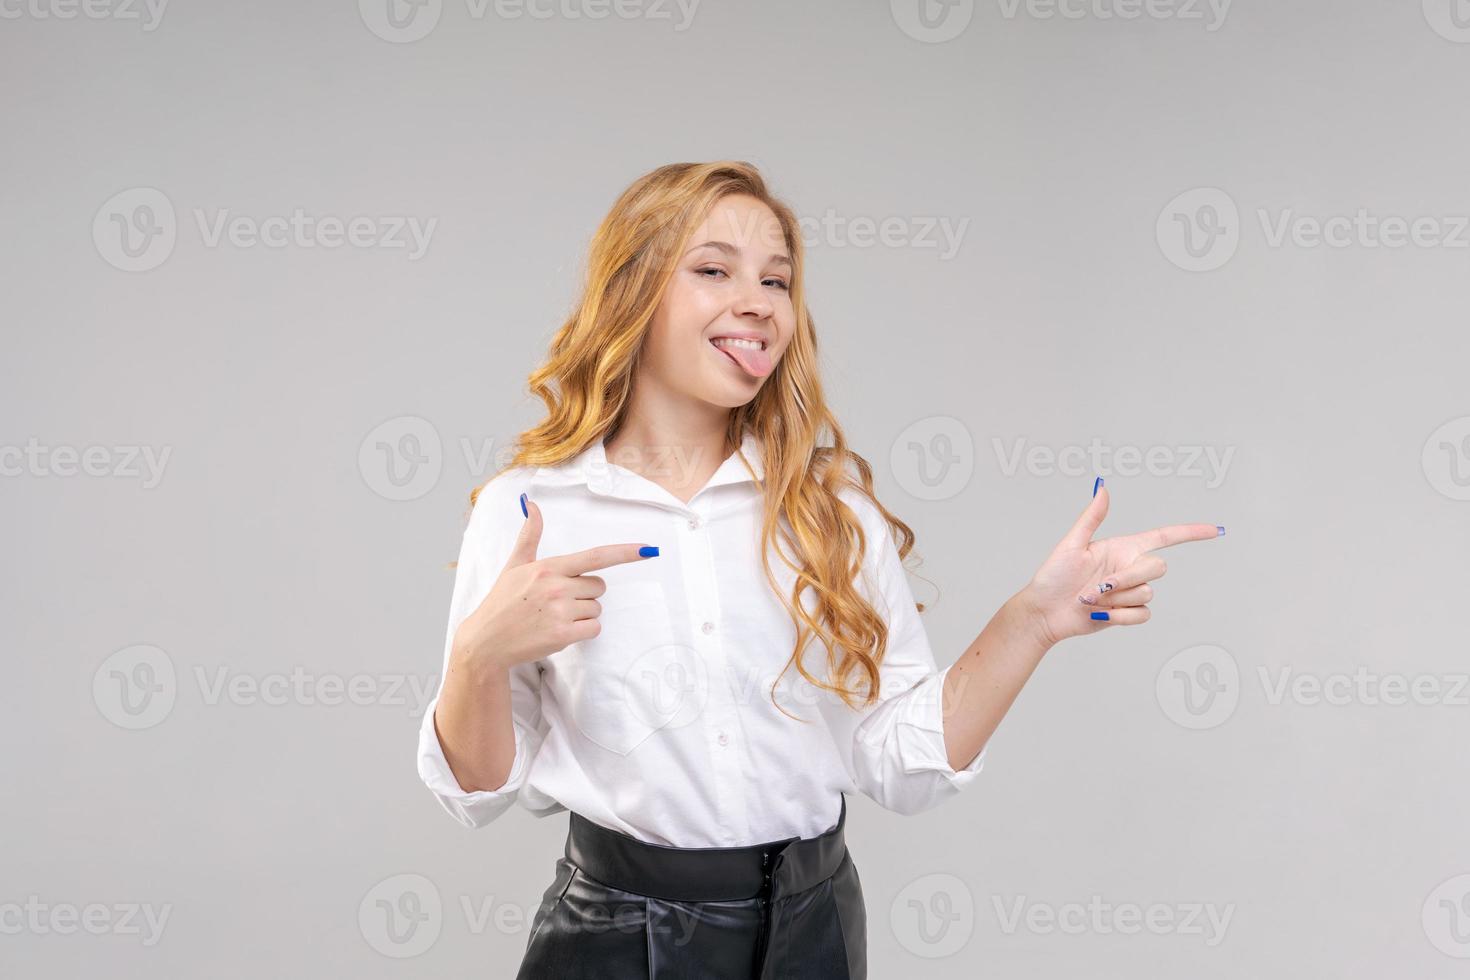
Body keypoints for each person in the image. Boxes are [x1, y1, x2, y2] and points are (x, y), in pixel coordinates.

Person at [415, 161, 1224, 978]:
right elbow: (476, 790)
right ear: (633, 293)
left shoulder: (829, 510)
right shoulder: (531, 510)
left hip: (815, 931)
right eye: (713, 270)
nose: (758, 301)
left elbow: (899, 761)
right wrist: (479, 655)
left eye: (778, 279)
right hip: (618, 939)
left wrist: (1032, 622)